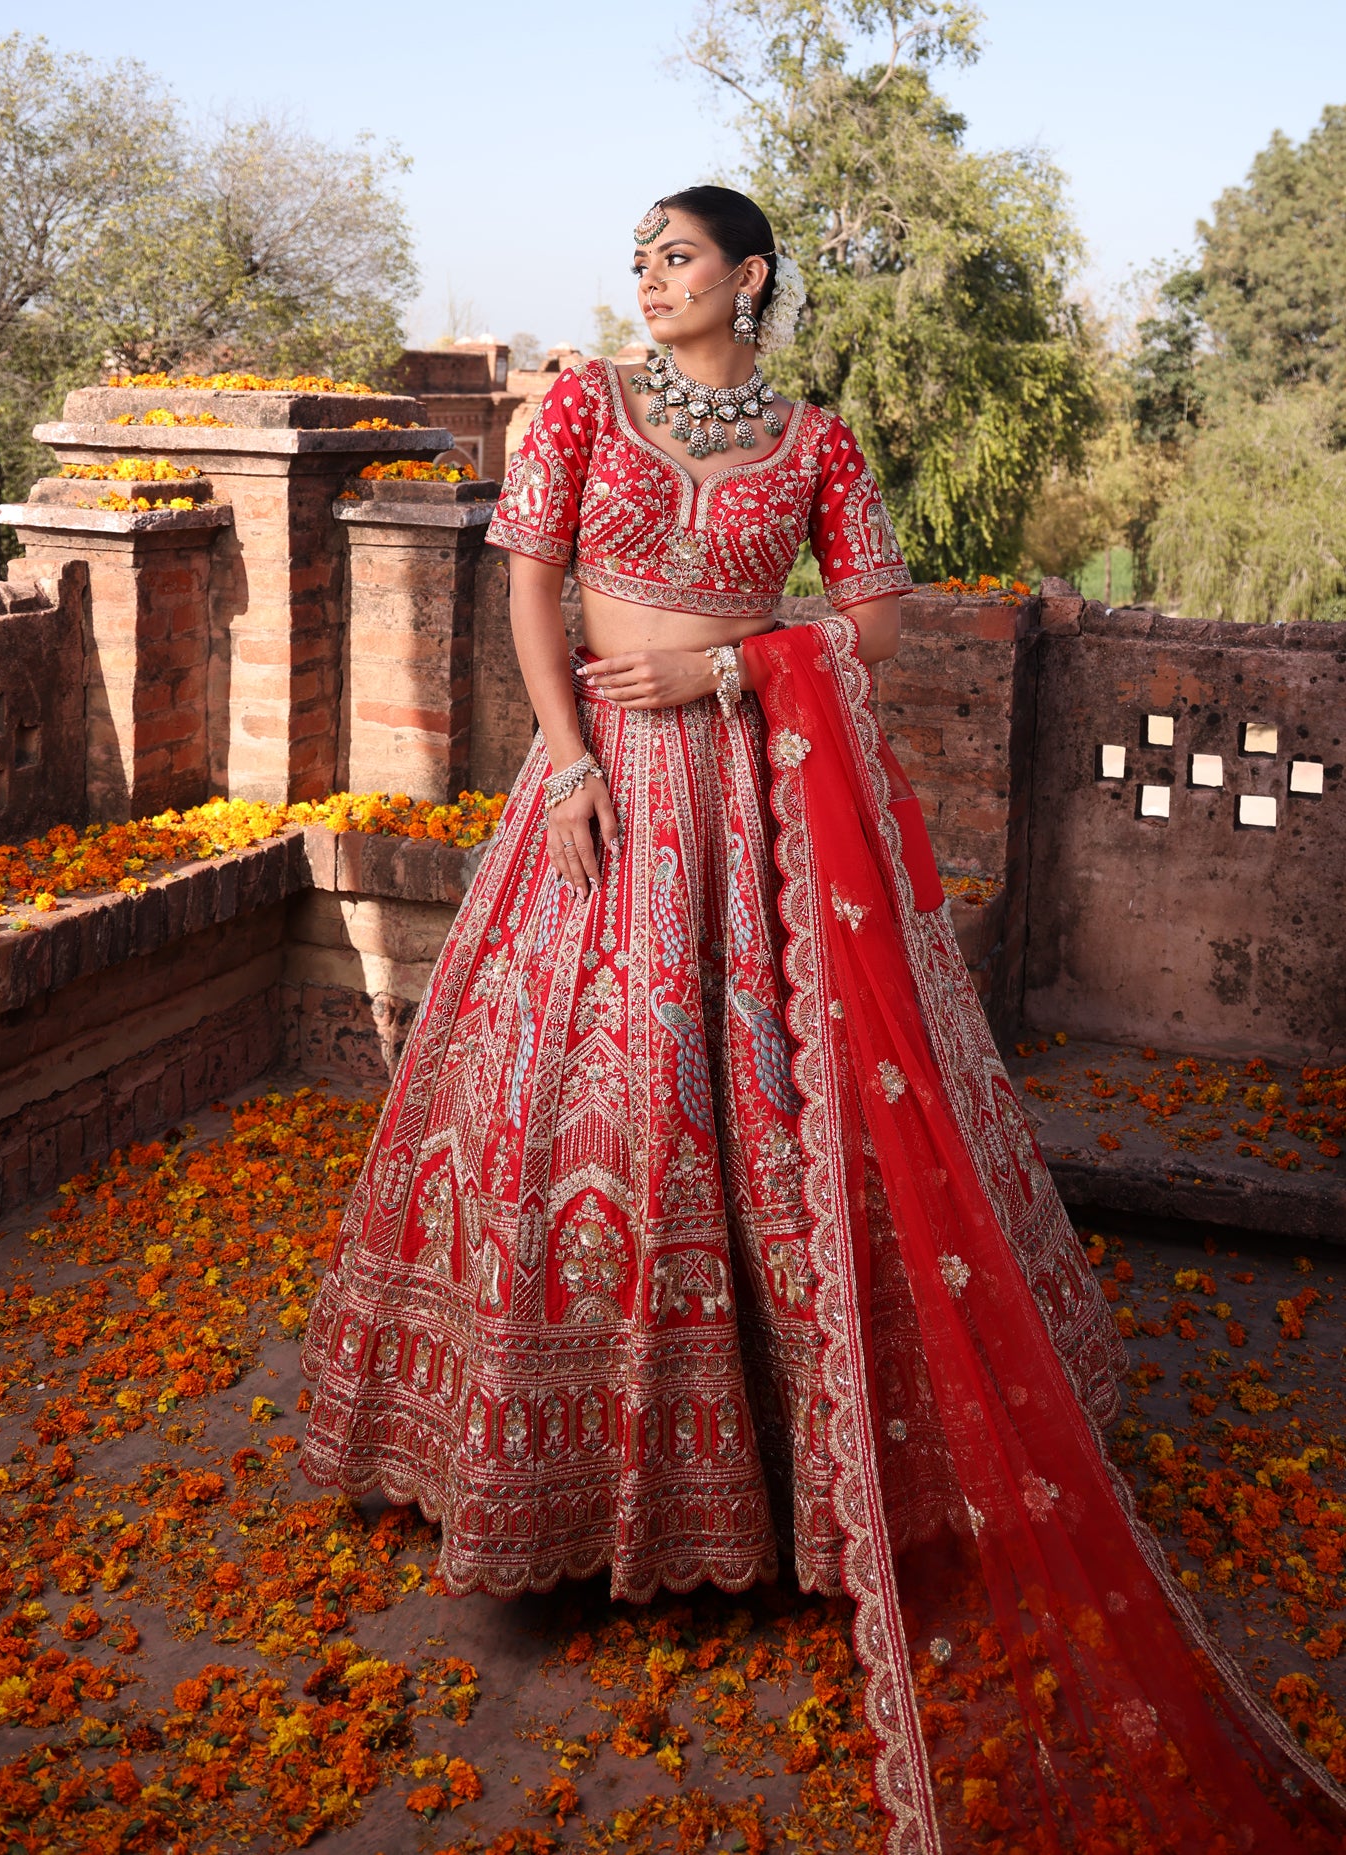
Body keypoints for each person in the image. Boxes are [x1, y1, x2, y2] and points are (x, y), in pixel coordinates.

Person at [301, 186, 1343, 1848]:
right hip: (607, 803)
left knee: (791, 1115)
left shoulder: (819, 446)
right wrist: (567, 759)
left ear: (751, 278)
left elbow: (868, 627)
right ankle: (557, 1473)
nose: (650, 279)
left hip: (765, 814)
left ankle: (801, 1491)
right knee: (602, 1101)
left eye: (680, 256)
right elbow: (528, 588)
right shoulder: (583, 404)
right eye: (639, 257)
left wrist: (734, 673)